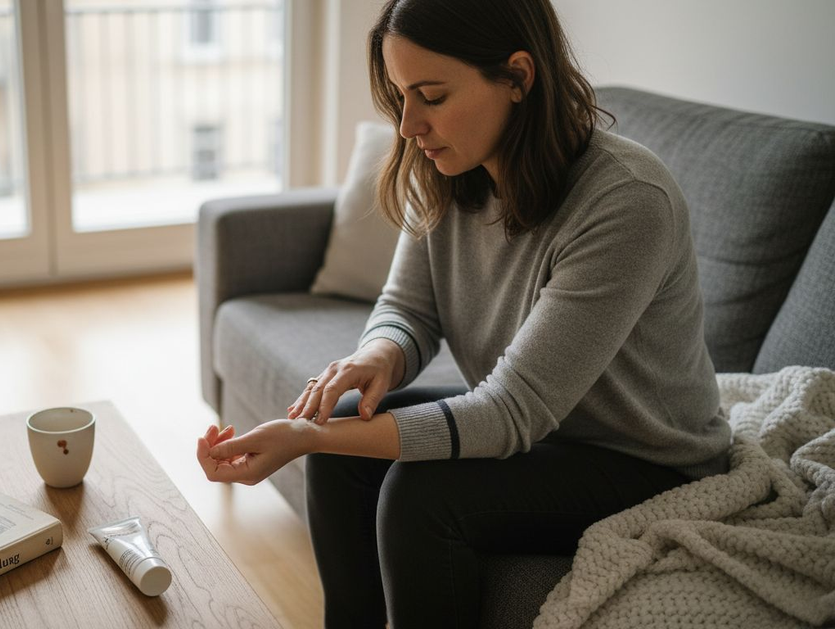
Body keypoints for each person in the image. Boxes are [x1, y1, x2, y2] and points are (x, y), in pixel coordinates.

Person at [196, 0, 732, 626]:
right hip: (544, 430)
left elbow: (508, 412)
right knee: (342, 444)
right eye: (401, 96)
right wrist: (379, 354)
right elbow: (408, 307)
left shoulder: (627, 200)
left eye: (431, 96)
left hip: (643, 460)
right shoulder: (448, 168)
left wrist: (306, 436)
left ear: (517, 77)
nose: (409, 126)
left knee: (420, 493)